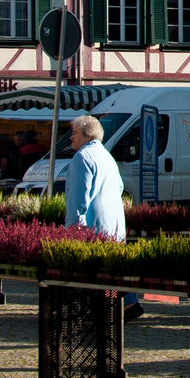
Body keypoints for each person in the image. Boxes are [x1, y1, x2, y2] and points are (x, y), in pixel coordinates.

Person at [64, 115, 139, 321]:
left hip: (93, 226)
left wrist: (73, 230)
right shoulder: (107, 156)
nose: (71, 138)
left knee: (94, 272)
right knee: (113, 268)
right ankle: (128, 303)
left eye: (74, 133)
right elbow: (120, 188)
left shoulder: (82, 157)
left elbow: (78, 198)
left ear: (87, 135)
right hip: (113, 223)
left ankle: (104, 309)